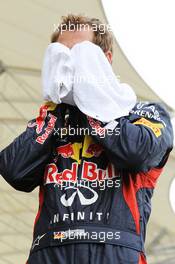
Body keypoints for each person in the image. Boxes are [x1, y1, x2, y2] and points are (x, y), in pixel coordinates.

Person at [0, 15, 174, 264]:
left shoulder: (142, 113)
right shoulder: (52, 118)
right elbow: (14, 169)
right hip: (49, 253)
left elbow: (137, 152)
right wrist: (54, 113)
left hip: (115, 253)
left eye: (81, 55)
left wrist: (95, 106)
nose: (72, 66)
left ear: (106, 60)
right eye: (63, 57)